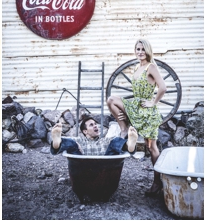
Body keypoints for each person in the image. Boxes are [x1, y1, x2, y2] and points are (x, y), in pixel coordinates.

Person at [106, 39, 167, 196]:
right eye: (137, 49)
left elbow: (163, 87)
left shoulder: (151, 67)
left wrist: (153, 102)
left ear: (147, 51)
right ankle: (124, 128)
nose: (140, 52)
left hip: (147, 112)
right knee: (111, 100)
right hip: (136, 106)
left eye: (142, 49)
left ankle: (157, 182)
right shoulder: (137, 67)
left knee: (151, 147)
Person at [50, 114, 138, 156]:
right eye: (91, 125)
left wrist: (121, 142)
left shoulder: (105, 140)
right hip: (82, 167)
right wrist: (74, 144)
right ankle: (57, 142)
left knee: (115, 141)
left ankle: (129, 145)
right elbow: (69, 140)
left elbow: (115, 141)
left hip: (105, 168)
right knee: (71, 143)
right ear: (85, 131)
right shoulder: (79, 141)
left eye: (95, 124)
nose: (95, 126)